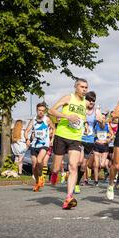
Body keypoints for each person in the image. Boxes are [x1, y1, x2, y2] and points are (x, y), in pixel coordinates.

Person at [48, 78, 89, 210]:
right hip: (61, 135)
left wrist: (86, 125)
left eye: (86, 87)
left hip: (75, 138)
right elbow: (51, 111)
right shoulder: (68, 97)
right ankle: (54, 173)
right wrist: (67, 116)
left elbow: (82, 118)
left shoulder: (85, 103)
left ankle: (68, 197)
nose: (84, 90)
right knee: (56, 166)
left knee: (73, 166)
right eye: (82, 87)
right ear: (76, 87)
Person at [75, 91, 103, 193]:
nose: (91, 102)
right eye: (89, 100)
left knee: (83, 165)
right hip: (79, 139)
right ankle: (73, 179)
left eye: (93, 100)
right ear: (86, 100)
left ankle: (76, 183)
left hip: (90, 141)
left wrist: (101, 121)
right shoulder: (81, 109)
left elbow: (102, 126)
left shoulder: (97, 111)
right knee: (78, 161)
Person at [24, 102, 55, 191]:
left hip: (44, 144)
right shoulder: (33, 120)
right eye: (39, 110)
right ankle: (38, 182)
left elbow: (54, 128)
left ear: (44, 111)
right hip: (34, 144)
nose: (41, 112)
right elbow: (26, 131)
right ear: (36, 110)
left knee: (39, 161)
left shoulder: (47, 119)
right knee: (34, 166)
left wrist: (52, 140)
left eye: (42, 111)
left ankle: (41, 176)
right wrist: (27, 139)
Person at [92, 114, 113, 186]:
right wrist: (95, 140)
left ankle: (107, 166)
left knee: (102, 164)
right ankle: (96, 181)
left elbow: (112, 135)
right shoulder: (96, 125)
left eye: (104, 118)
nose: (102, 119)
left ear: (105, 119)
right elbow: (92, 134)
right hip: (97, 146)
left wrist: (108, 140)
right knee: (96, 165)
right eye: (101, 118)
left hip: (105, 146)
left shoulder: (107, 126)